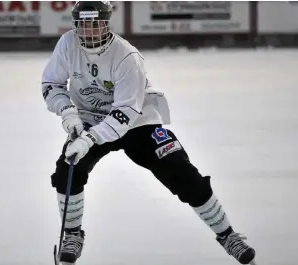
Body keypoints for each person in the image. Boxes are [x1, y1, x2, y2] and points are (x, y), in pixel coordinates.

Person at [41, 1, 256, 264]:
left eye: (95, 24)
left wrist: (88, 139)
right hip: (89, 118)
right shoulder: (67, 44)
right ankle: (73, 234)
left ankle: (228, 236)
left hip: (137, 120)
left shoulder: (127, 56)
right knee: (67, 170)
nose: (90, 31)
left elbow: (123, 113)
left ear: (107, 24)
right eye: (83, 24)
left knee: (179, 170)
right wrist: (69, 114)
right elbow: (51, 83)